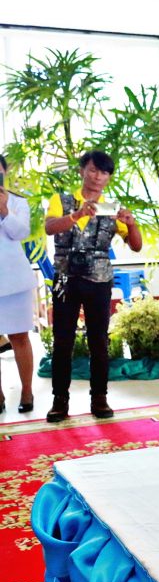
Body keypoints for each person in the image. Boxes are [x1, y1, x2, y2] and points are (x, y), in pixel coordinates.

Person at [44, 150, 143, 422]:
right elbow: (50, 227)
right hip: (66, 280)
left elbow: (135, 246)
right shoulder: (62, 200)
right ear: (82, 171)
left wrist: (132, 224)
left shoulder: (112, 208)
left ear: (109, 177)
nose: (98, 176)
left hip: (99, 281)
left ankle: (99, 397)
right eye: (93, 170)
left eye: (104, 172)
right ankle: (59, 401)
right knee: (62, 341)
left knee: (99, 340)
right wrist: (77, 215)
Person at [0, 154, 36, 414]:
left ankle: (27, 391)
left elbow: (21, 232)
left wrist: (4, 211)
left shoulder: (17, 202)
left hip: (15, 282)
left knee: (19, 337)